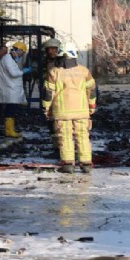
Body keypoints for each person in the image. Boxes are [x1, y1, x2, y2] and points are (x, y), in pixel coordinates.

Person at [42, 42, 96, 174]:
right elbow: (92, 90)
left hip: (62, 112)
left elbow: (48, 93)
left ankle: (68, 164)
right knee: (83, 136)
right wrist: (91, 105)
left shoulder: (54, 72)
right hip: (82, 111)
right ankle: (86, 163)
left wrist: (46, 108)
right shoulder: (84, 71)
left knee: (65, 136)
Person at [0, 41, 31, 138]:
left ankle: (10, 129)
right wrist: (24, 71)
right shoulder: (7, 59)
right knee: (10, 110)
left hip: (11, 88)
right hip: (9, 89)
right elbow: (13, 73)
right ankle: (9, 130)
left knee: (12, 109)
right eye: (22, 52)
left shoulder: (10, 59)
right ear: (18, 50)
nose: (21, 55)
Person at [41, 38, 62, 156]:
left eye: (54, 49)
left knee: (59, 124)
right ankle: (56, 147)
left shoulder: (62, 62)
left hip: (59, 95)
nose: (52, 51)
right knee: (51, 123)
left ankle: (61, 148)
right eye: (50, 49)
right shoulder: (46, 61)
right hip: (49, 93)